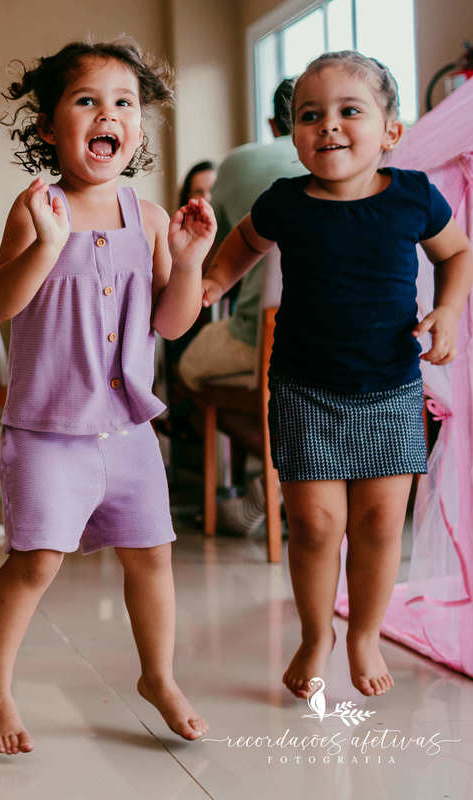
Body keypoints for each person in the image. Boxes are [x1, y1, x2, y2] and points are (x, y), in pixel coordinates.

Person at [0, 39, 217, 755]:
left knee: (151, 555)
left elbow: (170, 323)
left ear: (137, 128)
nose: (108, 114)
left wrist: (192, 258)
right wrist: (46, 245)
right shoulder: (38, 207)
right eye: (87, 100)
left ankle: (158, 675)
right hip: (49, 429)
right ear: (48, 126)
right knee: (36, 560)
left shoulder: (145, 217)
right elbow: (0, 300)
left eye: (124, 103)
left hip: (129, 430)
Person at [202, 51, 473, 698]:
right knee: (317, 525)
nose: (328, 126)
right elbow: (238, 249)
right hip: (304, 388)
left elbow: (457, 252)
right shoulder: (286, 203)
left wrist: (449, 310)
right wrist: (207, 281)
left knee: (381, 524)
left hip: (391, 387)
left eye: (350, 111)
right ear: (293, 133)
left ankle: (363, 632)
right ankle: (314, 631)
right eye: (309, 115)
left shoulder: (412, 196)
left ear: (390, 131)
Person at [177, 78, 304, 535]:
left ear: (273, 123)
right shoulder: (379, 176)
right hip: (356, 334)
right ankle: (304, 472)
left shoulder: (241, 163)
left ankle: (287, 477)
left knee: (190, 372)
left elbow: (221, 254)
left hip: (262, 334)